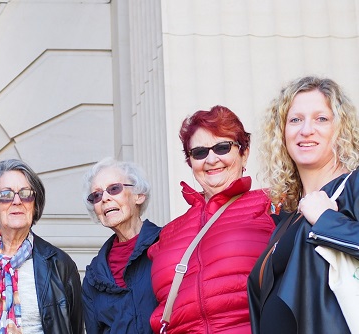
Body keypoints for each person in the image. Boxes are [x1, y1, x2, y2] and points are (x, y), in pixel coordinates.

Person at [146, 105, 274, 333]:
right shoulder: (169, 233)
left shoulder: (272, 206)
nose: (211, 159)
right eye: (200, 152)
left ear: (244, 153)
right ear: (191, 163)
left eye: (222, 147)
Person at [249, 76, 358, 333]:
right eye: (295, 120)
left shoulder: (353, 187)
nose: (306, 129)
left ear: (340, 129)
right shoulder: (289, 218)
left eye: (321, 119)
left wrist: (327, 221)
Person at [0, 159, 83, 334]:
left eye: (26, 194)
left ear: (35, 205)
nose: (17, 201)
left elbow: (75, 327)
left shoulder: (59, 264)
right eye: (6, 195)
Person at [80, 157, 160, 334]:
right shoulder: (93, 276)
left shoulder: (168, 245)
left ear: (139, 196)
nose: (105, 199)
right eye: (97, 195)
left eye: (114, 189)